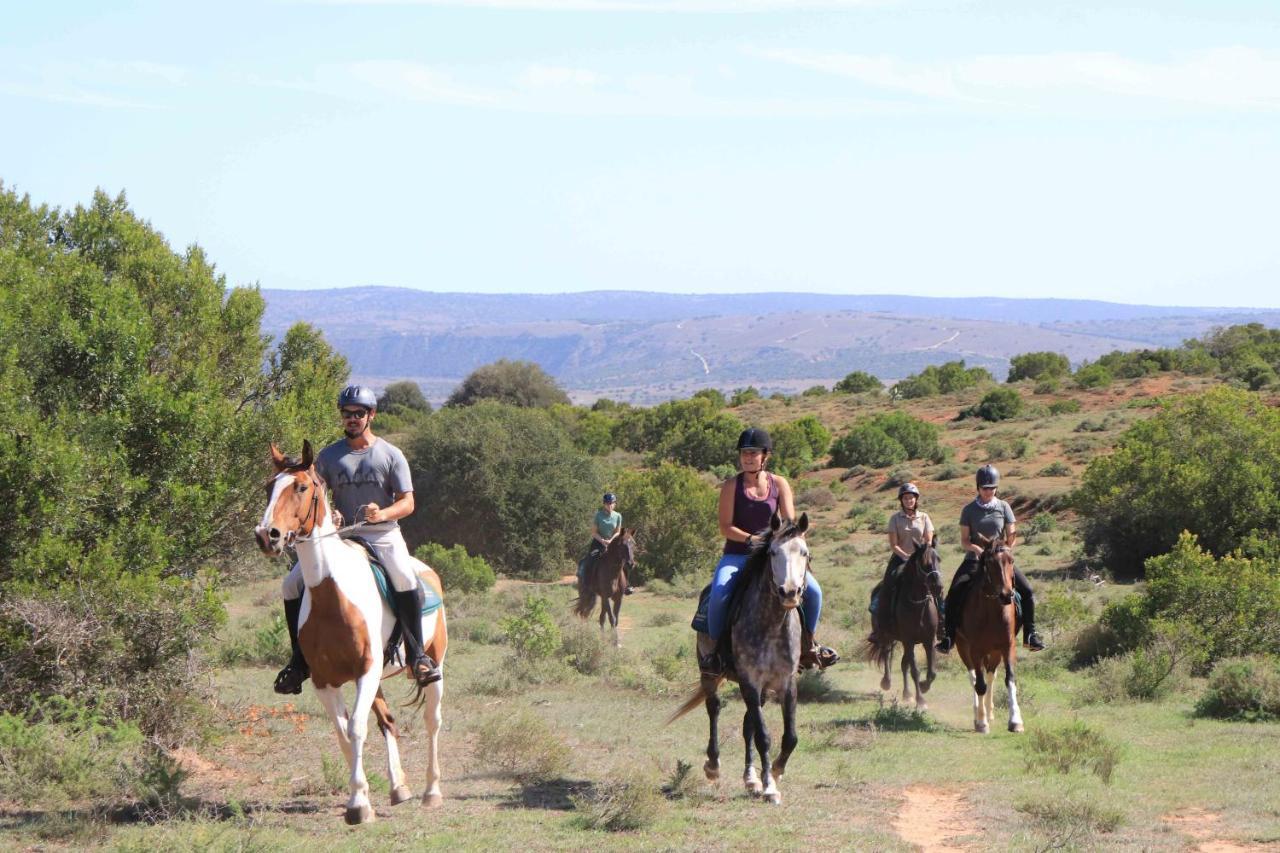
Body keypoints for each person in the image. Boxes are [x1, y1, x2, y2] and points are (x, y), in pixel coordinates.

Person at [273, 384, 441, 695]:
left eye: (358, 413)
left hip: (382, 534)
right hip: (342, 537)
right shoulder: (329, 456)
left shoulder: (390, 454)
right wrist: (332, 514)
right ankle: (298, 661)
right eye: (346, 414)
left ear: (371, 415)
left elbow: (408, 502)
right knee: (290, 585)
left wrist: (384, 513)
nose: (352, 419)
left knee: (406, 578)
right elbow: (316, 495)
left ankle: (418, 656)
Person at [697, 427, 839, 677]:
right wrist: (751, 539)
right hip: (738, 554)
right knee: (719, 592)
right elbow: (725, 527)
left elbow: (791, 524)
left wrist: (797, 550)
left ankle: (809, 646)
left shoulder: (779, 484)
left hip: (777, 557)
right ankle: (716, 652)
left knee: (814, 591)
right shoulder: (731, 486)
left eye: (753, 453)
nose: (748, 458)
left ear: (765, 456)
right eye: (744, 453)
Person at [935, 464, 1045, 654]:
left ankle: (1030, 635)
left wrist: (1007, 548)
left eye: (992, 488)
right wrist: (977, 549)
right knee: (954, 592)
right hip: (974, 559)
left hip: (1000, 561)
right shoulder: (969, 510)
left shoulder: (1004, 507)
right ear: (978, 487)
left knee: (1026, 590)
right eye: (985, 488)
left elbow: (1012, 533)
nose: (988, 491)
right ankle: (949, 636)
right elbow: (964, 540)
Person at [869, 483, 942, 643]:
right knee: (886, 586)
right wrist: (907, 557)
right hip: (900, 559)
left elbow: (928, 540)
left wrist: (919, 557)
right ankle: (880, 626)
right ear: (901, 501)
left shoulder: (924, 517)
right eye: (905, 498)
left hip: (922, 559)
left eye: (911, 498)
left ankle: (942, 624)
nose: (909, 500)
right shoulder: (895, 519)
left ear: (916, 500)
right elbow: (894, 545)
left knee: (937, 584)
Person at [578, 492, 629, 593]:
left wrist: (610, 540)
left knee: (626, 559)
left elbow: (618, 532)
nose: (609, 505)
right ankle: (587, 583)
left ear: (615, 504)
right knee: (588, 561)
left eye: (612, 503)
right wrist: (602, 541)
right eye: (607, 503)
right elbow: (593, 532)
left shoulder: (618, 516)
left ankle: (625, 585)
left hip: (613, 543)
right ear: (604, 504)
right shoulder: (598, 515)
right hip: (598, 542)